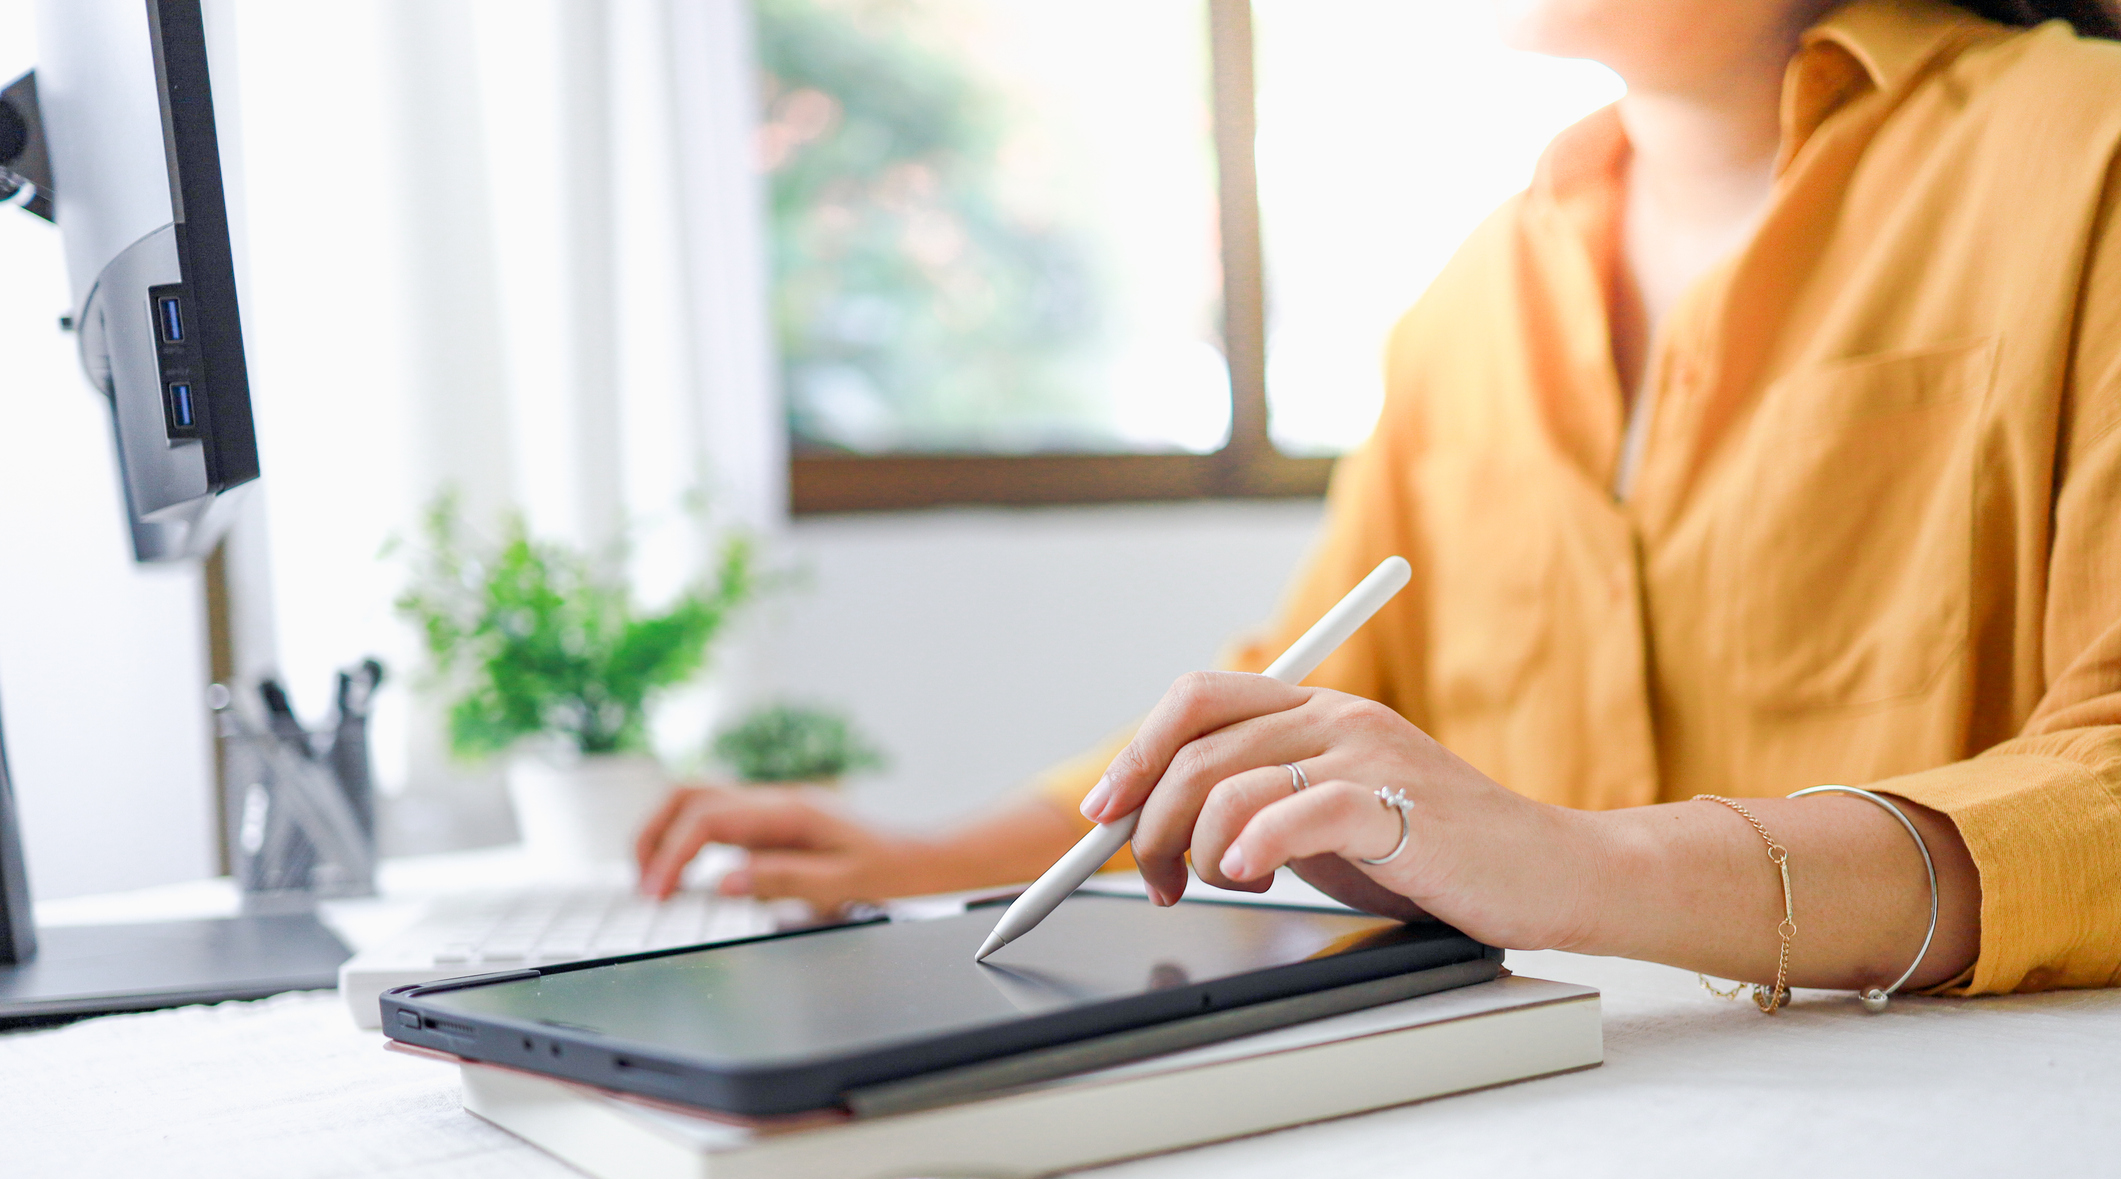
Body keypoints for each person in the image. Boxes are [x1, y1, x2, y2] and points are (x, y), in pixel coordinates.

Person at [640, 0, 2121, 1002]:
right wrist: (924, 860)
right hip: (1567, 1118)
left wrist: (1584, 871)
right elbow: (1308, 683)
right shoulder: (1468, 301)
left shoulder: (2088, 157)